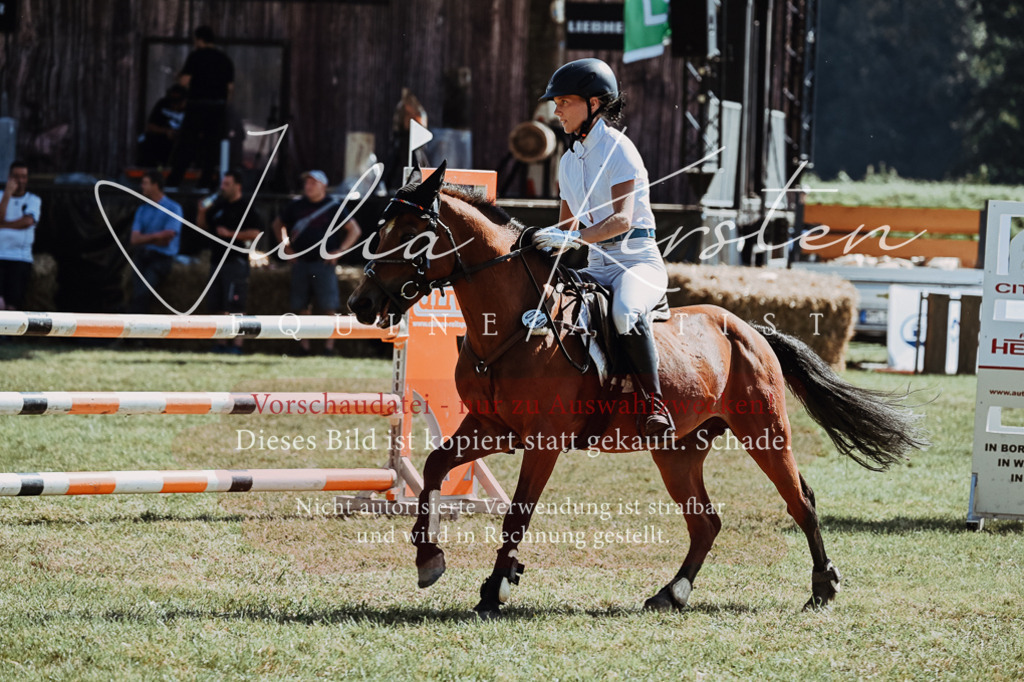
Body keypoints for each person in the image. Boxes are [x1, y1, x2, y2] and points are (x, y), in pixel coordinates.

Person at [533, 58, 672, 438]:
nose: (556, 110)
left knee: (626, 312)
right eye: (556, 103)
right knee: (556, 310)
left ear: (594, 103)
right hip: (597, 263)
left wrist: (572, 238)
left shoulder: (619, 149)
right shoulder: (567, 161)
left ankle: (654, 407)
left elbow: (622, 220)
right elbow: (565, 225)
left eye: (564, 102)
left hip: (636, 262)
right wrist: (536, 245)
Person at [274, 170, 362, 355]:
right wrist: (286, 248)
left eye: (313, 183)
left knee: (329, 305)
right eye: (306, 183)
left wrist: (339, 252)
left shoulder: (333, 206)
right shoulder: (295, 205)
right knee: (302, 306)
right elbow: (277, 224)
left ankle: (329, 347)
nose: (308, 186)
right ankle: (304, 346)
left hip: (324, 264)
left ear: (323, 185)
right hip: (301, 262)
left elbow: (354, 230)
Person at [197, 169, 262, 353]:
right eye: (222, 184)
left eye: (227, 184)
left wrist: (231, 234)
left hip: (236, 262)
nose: (222, 188)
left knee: (236, 305)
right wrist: (201, 212)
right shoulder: (218, 206)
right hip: (216, 261)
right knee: (217, 304)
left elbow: (256, 233)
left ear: (237, 186)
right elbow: (203, 226)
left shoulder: (246, 207)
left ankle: (237, 345)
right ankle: (220, 343)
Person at [166, 25, 235, 189]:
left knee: (187, 143)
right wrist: (224, 104)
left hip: (197, 105)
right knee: (212, 147)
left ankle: (174, 181)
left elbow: (184, 81)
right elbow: (230, 88)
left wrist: (177, 77)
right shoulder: (225, 59)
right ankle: (205, 183)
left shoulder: (196, 56)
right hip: (217, 108)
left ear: (199, 39)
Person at [128, 170, 183, 314]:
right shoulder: (142, 209)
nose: (142, 187)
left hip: (161, 259)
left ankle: (135, 332)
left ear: (155, 185)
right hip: (142, 257)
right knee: (137, 293)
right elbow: (134, 239)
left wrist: (145, 238)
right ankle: (135, 332)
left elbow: (167, 239)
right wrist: (157, 236)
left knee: (142, 293)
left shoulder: (173, 208)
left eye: (145, 183)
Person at [0, 161, 42, 311]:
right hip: (0, 255)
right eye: (16, 176)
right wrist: (7, 195)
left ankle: (9, 335)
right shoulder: (2, 197)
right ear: (9, 177)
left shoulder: (33, 200)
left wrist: (3, 225)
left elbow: (27, 221)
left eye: (23, 177)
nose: (19, 180)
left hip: (19, 257)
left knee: (13, 304)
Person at [136, 84, 187, 168]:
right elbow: (151, 125)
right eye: (173, 102)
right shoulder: (163, 104)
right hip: (163, 139)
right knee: (145, 139)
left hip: (183, 140)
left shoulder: (190, 108)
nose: (175, 106)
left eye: (178, 102)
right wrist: (166, 131)